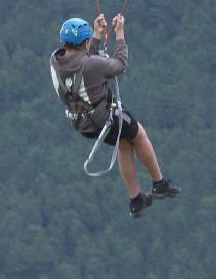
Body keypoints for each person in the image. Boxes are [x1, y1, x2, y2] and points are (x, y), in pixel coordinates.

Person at [49, 13, 180, 217]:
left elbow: (82, 63)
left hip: (81, 123)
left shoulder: (56, 61)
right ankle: (158, 182)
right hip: (103, 119)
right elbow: (119, 65)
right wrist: (119, 34)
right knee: (138, 134)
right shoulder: (91, 65)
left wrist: (96, 37)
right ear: (84, 43)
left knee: (124, 143)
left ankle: (136, 200)